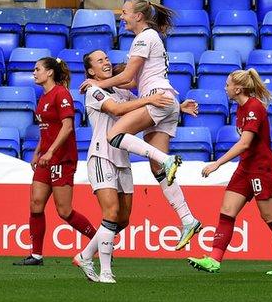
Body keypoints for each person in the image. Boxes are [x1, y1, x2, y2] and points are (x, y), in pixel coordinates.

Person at [79, 0, 201, 250]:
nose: (121, 16)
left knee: (115, 134)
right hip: (166, 100)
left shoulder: (144, 38)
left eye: (124, 12)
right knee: (157, 168)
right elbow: (133, 83)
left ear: (138, 16)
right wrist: (178, 106)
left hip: (156, 97)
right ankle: (187, 219)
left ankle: (169, 160)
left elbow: (127, 76)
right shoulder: (152, 37)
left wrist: (95, 83)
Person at [73, 50, 199, 283]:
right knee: (110, 213)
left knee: (122, 220)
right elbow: (117, 110)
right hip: (101, 157)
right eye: (100, 61)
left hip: (123, 160)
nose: (106, 62)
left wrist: (177, 107)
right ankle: (106, 272)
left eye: (107, 58)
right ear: (91, 71)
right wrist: (150, 98)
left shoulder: (121, 91)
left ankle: (84, 255)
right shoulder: (93, 90)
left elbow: (144, 111)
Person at [187, 69, 272, 275]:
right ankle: (214, 260)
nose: (225, 87)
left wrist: (217, 163)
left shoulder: (254, 107)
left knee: (270, 217)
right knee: (227, 211)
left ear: (237, 88)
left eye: (228, 84)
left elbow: (245, 143)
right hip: (245, 168)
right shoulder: (240, 108)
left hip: (262, 169)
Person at [13, 57, 97, 266]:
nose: (34, 73)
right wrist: (37, 152)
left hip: (62, 158)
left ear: (49, 72)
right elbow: (45, 130)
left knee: (64, 211)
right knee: (36, 204)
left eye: (37, 69)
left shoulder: (61, 94)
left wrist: (50, 152)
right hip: (46, 158)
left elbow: (67, 127)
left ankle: (101, 243)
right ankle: (36, 255)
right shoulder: (42, 98)